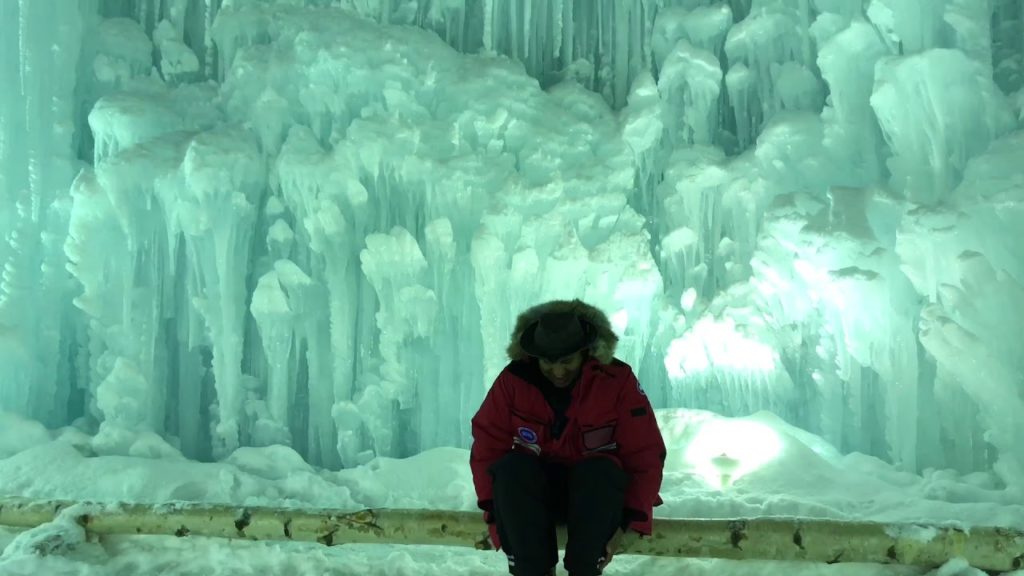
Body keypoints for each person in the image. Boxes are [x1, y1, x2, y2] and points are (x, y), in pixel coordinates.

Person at [470, 299, 666, 576]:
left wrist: (629, 522)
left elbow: (644, 452)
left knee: (601, 470)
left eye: (567, 361)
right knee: (512, 468)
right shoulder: (513, 382)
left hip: (593, 501)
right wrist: (495, 516)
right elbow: (487, 447)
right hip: (535, 498)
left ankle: (585, 569)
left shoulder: (616, 381)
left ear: (585, 353)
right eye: (548, 363)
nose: (558, 371)